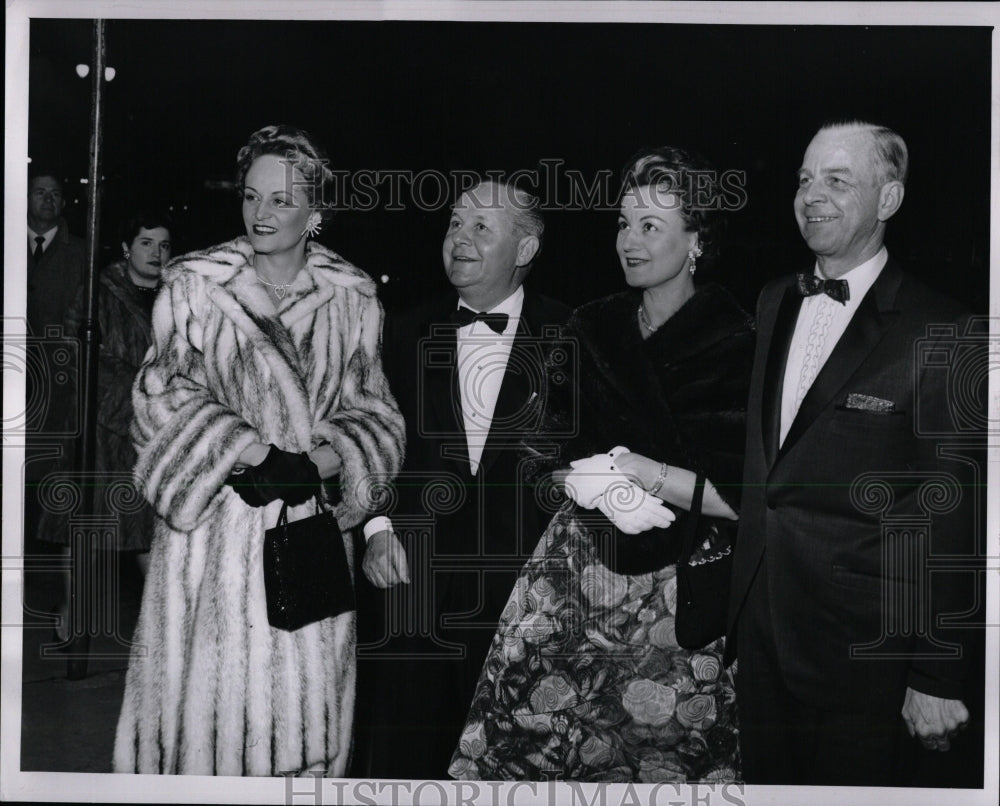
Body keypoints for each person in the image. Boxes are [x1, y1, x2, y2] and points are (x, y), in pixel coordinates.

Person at [447, 148, 755, 782]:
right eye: (623, 223)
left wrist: (642, 472)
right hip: (573, 573)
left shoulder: (738, 341)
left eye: (651, 226)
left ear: (696, 241)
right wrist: (583, 481)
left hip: (678, 592)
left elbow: (744, 497)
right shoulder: (593, 325)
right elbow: (541, 452)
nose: (629, 241)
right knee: (526, 753)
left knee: (655, 763)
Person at [113, 125, 405, 776]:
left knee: (305, 730)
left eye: (281, 200)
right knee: (199, 731)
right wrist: (245, 450)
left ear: (316, 212)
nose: (261, 213)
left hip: (307, 538)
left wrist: (320, 461)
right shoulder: (195, 281)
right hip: (211, 539)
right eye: (252, 196)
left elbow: (377, 411)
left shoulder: (353, 294)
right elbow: (155, 393)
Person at [727, 121, 983, 785]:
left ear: (888, 200)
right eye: (805, 179)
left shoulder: (947, 330)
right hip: (760, 639)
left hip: (865, 660)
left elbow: (953, 516)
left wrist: (936, 672)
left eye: (838, 180)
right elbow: (771, 472)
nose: (813, 195)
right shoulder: (774, 298)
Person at [354, 179, 571, 780]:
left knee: (512, 762)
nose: (461, 239)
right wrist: (375, 528)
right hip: (410, 579)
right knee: (403, 759)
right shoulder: (401, 330)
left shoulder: (571, 335)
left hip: (524, 595)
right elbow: (373, 444)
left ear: (524, 250)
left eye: (482, 227)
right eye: (455, 224)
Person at [37, 211, 173, 642]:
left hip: (157, 433)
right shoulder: (99, 294)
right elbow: (80, 353)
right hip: (100, 430)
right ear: (126, 248)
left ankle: (161, 630)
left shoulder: (181, 298)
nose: (156, 253)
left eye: (164, 245)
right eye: (146, 242)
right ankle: (73, 609)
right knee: (83, 529)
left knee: (150, 532)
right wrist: (135, 400)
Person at [24, 169, 87, 541]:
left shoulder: (79, 253)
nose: (47, 200)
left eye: (55, 194)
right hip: (12, 373)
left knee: (48, 467)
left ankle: (41, 547)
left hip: (54, 378)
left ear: (63, 203)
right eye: (39, 192)